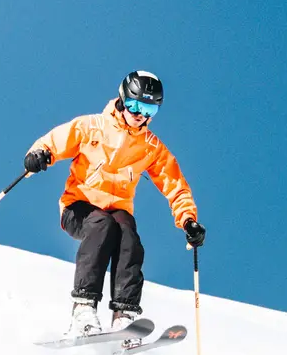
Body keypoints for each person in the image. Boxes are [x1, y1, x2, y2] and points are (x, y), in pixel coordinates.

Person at [23, 70, 206, 338]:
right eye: (135, 105)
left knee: (127, 233)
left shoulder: (151, 147)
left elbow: (174, 184)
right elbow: (56, 141)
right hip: (78, 207)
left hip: (116, 210)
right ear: (123, 99)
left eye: (148, 108)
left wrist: (188, 220)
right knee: (102, 224)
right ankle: (83, 309)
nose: (140, 114)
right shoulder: (91, 126)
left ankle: (124, 315)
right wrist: (40, 154)